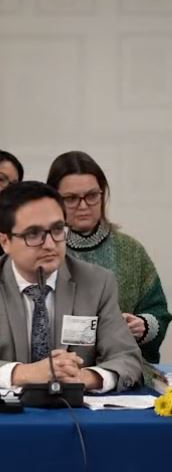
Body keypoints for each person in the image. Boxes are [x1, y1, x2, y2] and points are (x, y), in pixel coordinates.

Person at [0, 181, 143, 391]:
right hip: (6, 417)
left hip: (78, 413)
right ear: (5, 242)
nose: (50, 244)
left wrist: (84, 378)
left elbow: (127, 359)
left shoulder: (97, 282)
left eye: (58, 230)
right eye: (33, 234)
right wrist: (28, 373)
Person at [48, 150, 169, 363]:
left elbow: (157, 310)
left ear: (102, 194)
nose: (83, 205)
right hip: (55, 370)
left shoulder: (130, 250)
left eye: (92, 195)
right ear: (54, 199)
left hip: (122, 373)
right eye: (71, 198)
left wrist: (144, 325)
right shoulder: (43, 251)